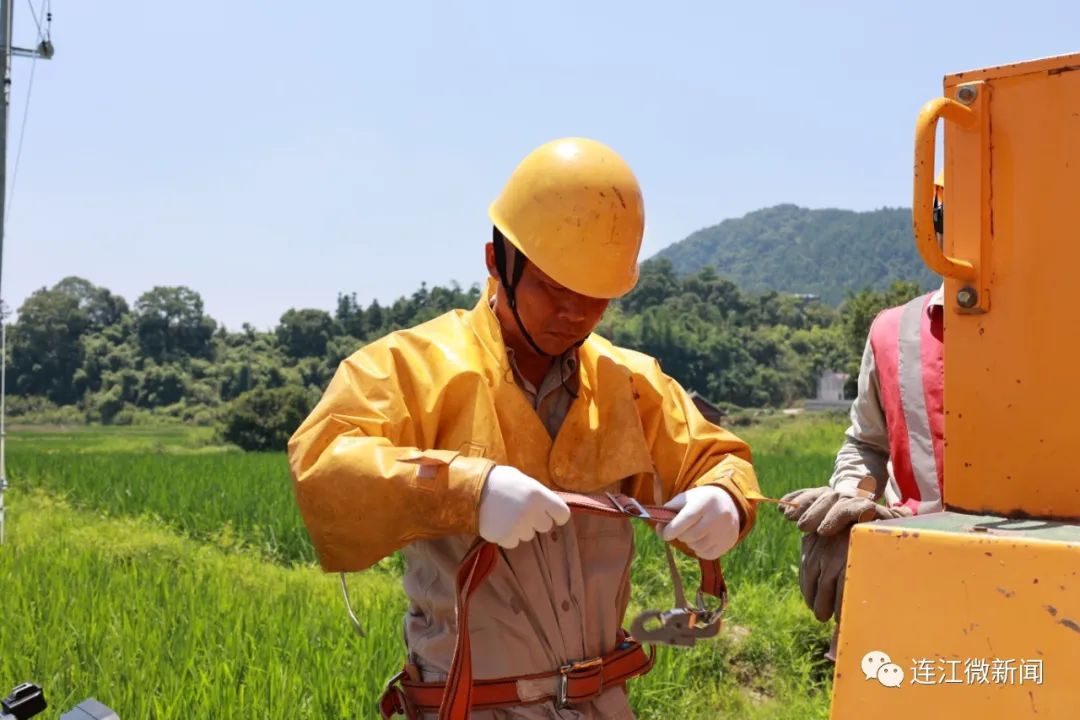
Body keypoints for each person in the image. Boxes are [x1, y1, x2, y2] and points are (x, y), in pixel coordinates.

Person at [287, 137, 761, 719]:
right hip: (469, 705)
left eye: (595, 296)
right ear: (496, 261)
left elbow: (717, 458)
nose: (574, 313)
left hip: (600, 704)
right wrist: (468, 489)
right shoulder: (412, 368)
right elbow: (324, 461)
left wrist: (725, 498)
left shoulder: (628, 384)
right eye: (554, 287)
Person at [781, 175, 946, 639]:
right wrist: (853, 505)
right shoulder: (894, 332)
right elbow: (866, 443)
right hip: (901, 579)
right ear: (936, 222)